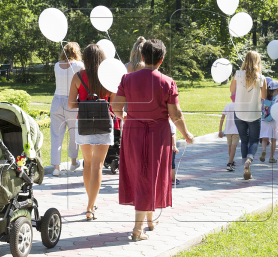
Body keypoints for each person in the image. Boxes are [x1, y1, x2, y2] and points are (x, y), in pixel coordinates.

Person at [113, 39, 194, 241]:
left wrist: (124, 117)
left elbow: (115, 107)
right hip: (157, 134)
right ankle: (137, 229)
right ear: (161, 60)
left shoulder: (127, 79)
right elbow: (175, 115)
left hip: (133, 132)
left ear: (142, 57)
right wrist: (186, 134)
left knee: (142, 174)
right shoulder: (167, 82)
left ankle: (149, 220)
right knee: (150, 175)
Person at [67, 44, 114, 221]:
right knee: (98, 166)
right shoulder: (108, 77)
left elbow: (71, 105)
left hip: (84, 122)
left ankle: (90, 202)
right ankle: (90, 207)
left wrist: (86, 104)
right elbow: (114, 104)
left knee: (87, 163)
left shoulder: (78, 76)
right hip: (103, 122)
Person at [230, 51, 267, 180]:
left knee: (244, 140)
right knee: (254, 140)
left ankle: (246, 167)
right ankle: (249, 160)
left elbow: (231, 90)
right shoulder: (261, 77)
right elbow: (264, 96)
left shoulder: (238, 74)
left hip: (239, 112)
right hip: (254, 113)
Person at [50, 42, 84, 177]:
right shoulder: (79, 65)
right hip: (72, 101)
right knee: (73, 134)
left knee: (56, 135)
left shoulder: (56, 65)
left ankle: (56, 167)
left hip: (56, 100)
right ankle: (73, 162)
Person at [259, 79, 278, 163]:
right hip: (273, 121)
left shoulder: (263, 99)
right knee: (273, 140)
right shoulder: (277, 100)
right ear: (276, 90)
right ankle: (271, 157)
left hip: (264, 120)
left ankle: (264, 149)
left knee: (264, 138)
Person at [218, 93, 239, 171]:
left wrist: (220, 130)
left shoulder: (227, 106)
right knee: (234, 147)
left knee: (230, 146)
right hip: (236, 131)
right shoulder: (239, 107)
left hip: (228, 130)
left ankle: (232, 161)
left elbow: (222, 119)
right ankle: (229, 163)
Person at [169, 119, 180, 185]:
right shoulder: (171, 123)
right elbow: (173, 135)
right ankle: (172, 179)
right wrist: (174, 146)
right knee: (171, 163)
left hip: (159, 147)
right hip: (169, 147)